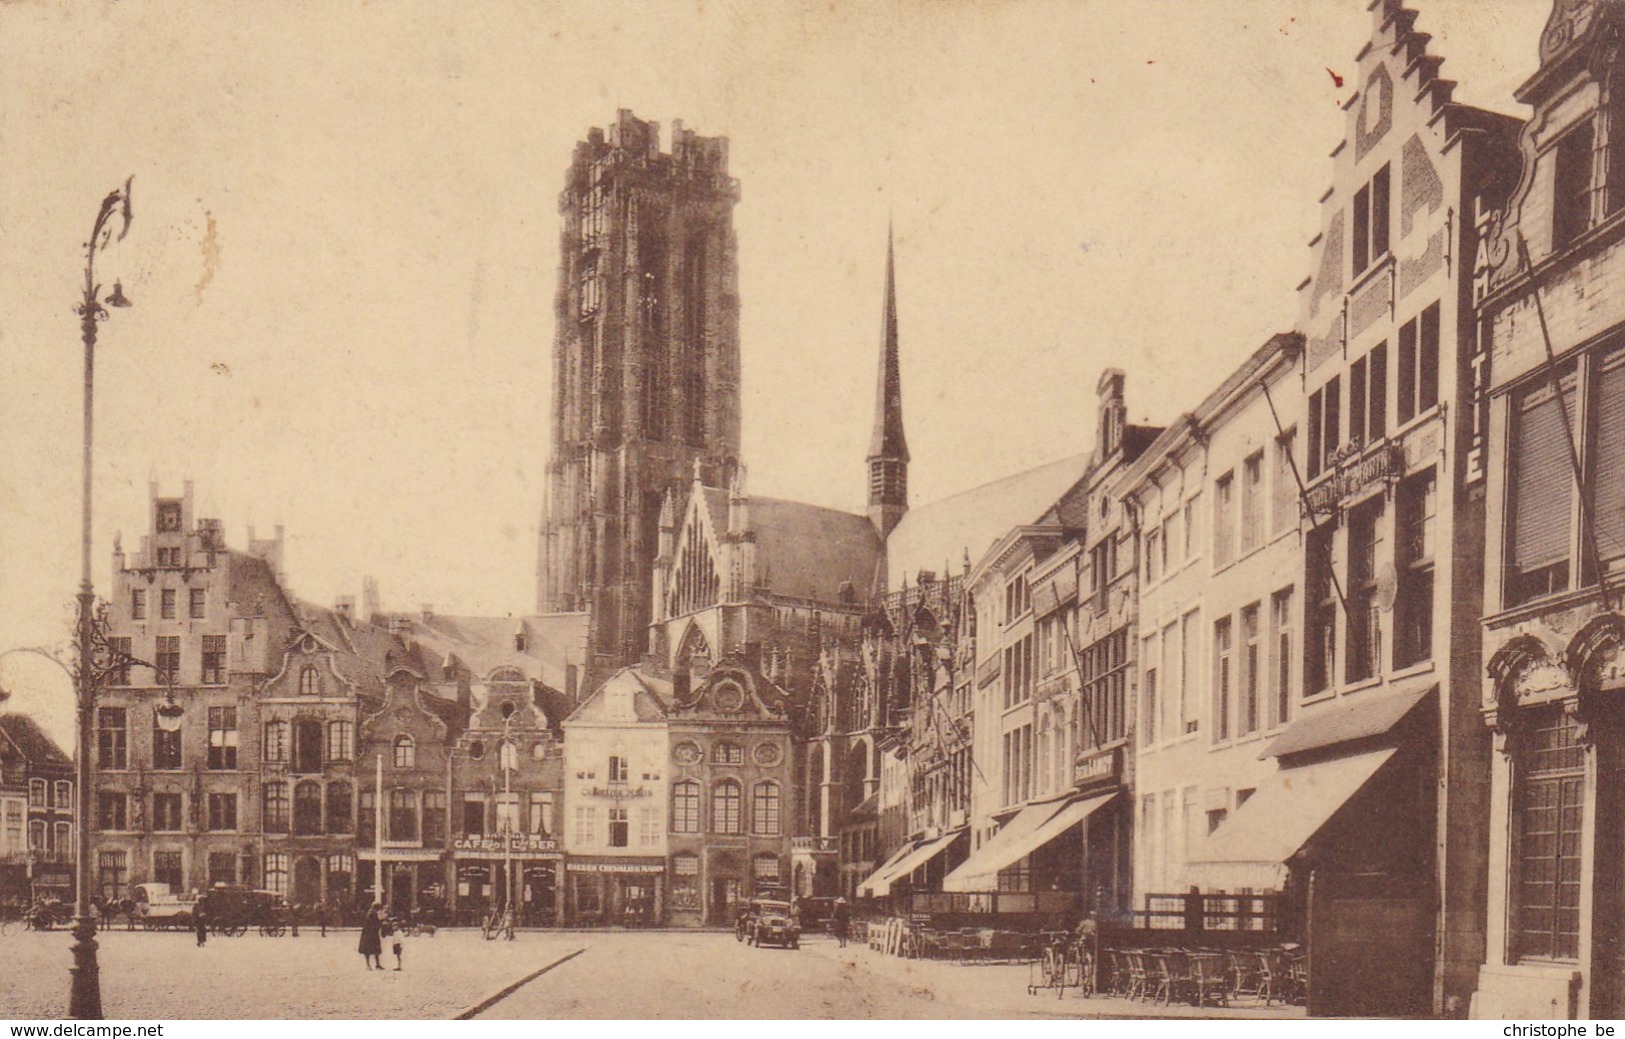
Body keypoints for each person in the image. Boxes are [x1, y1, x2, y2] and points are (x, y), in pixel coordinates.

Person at [359, 904, 384, 970]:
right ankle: (372, 965)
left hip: (369, 933)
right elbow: (376, 923)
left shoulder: (370, 912)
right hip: (371, 934)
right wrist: (382, 920)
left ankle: (374, 964)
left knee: (371, 949)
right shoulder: (373, 913)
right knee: (370, 949)